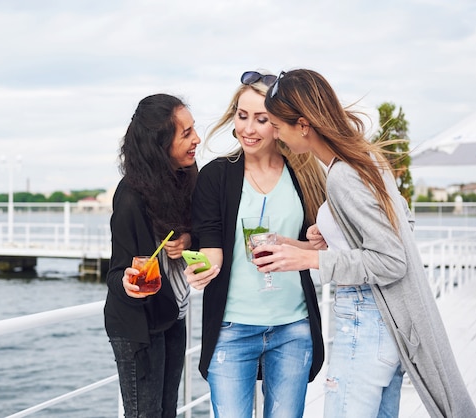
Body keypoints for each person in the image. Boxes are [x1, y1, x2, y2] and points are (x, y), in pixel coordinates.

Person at [262, 68, 476, 417]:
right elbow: (402, 222)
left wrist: (311, 262)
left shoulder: (343, 175)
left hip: (365, 317)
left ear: (303, 125)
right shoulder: (363, 160)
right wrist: (320, 240)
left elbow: (392, 260)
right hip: (385, 322)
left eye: (276, 125)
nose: (274, 134)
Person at [184, 70, 327, 418]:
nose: (248, 128)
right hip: (232, 327)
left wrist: (305, 244)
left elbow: (321, 250)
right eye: (242, 115)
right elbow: (212, 246)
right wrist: (203, 269)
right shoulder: (216, 176)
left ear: (279, 122)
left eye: (261, 119)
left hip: (294, 326)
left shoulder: (305, 174)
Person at [104, 93, 201, 417]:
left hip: (174, 313)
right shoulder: (131, 197)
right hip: (138, 325)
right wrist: (128, 282)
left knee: (167, 412)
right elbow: (116, 273)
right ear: (160, 144)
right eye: (185, 134)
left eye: (193, 129)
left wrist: (187, 239)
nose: (196, 139)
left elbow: (200, 229)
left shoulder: (185, 178)